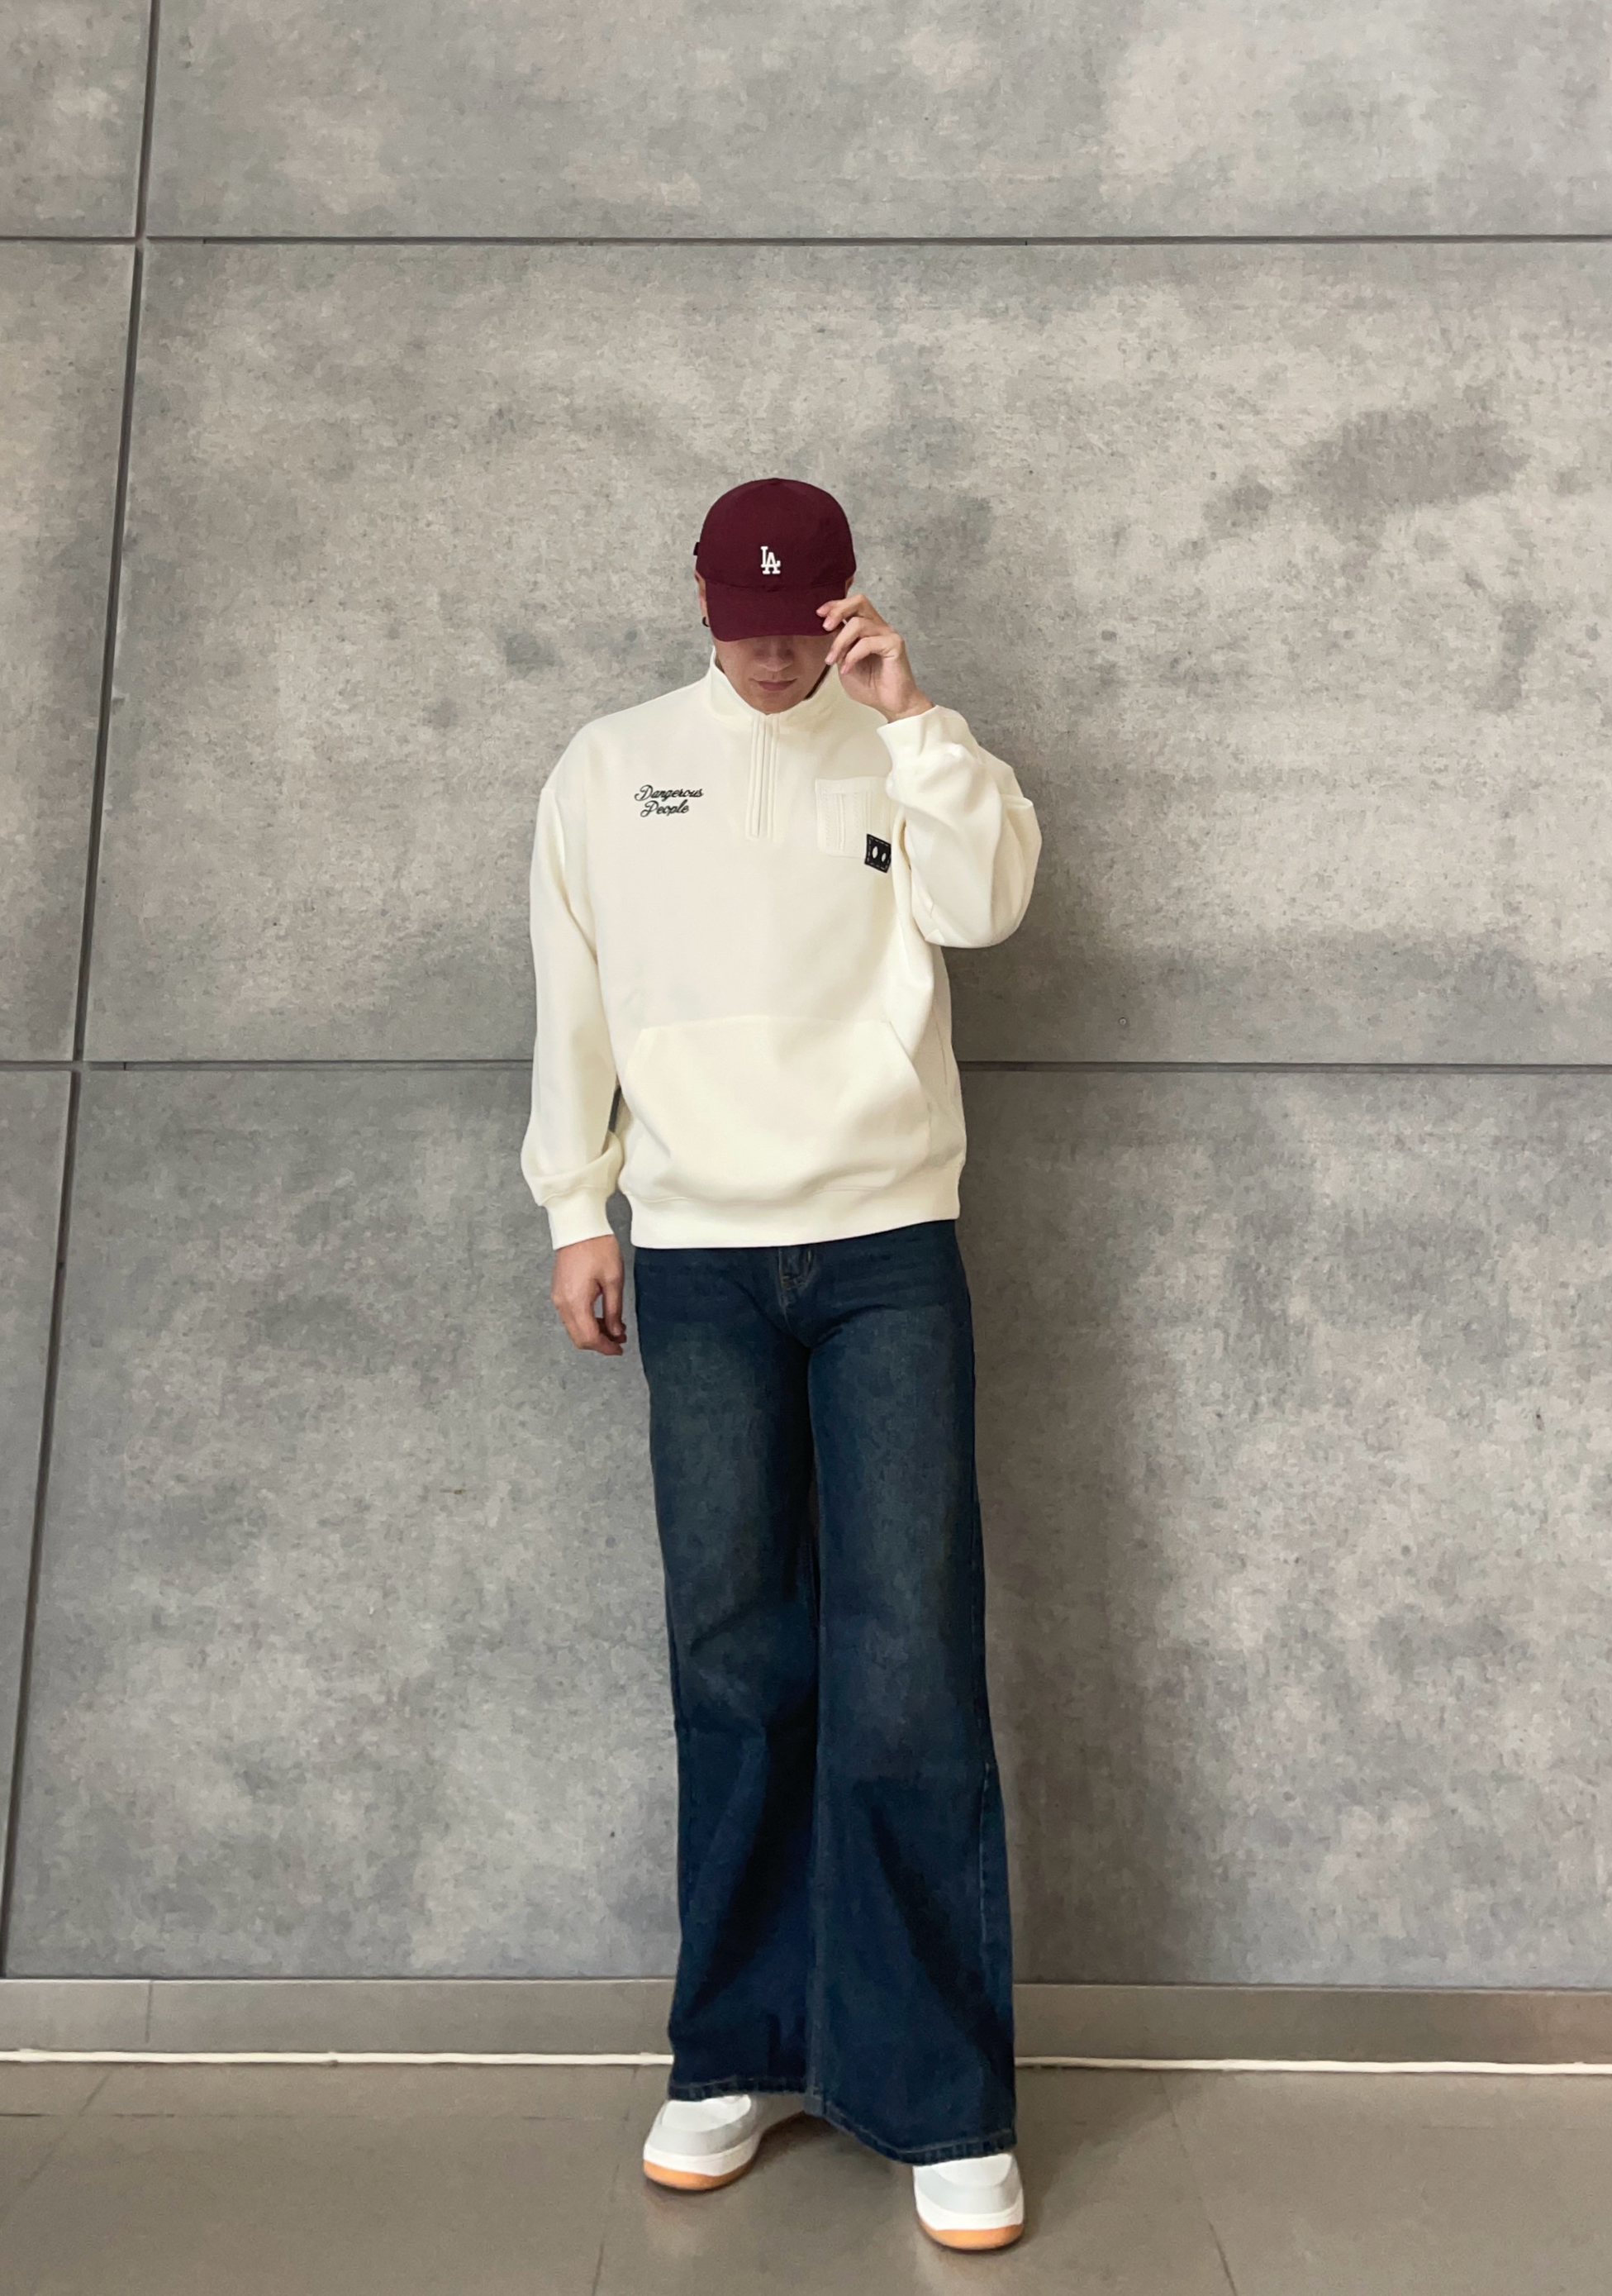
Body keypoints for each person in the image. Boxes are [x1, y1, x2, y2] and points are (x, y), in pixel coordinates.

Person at [519, 476, 1042, 2251]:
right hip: (695, 1256)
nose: (765, 655)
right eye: (739, 626)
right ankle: (735, 2050)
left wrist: (916, 720)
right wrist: (576, 1207)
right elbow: (571, 992)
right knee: (734, 1659)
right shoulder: (609, 766)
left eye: (793, 626)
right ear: (701, 605)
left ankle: (942, 2096)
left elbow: (989, 905)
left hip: (889, 1244)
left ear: (840, 606)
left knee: (908, 1660)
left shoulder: (902, 751)